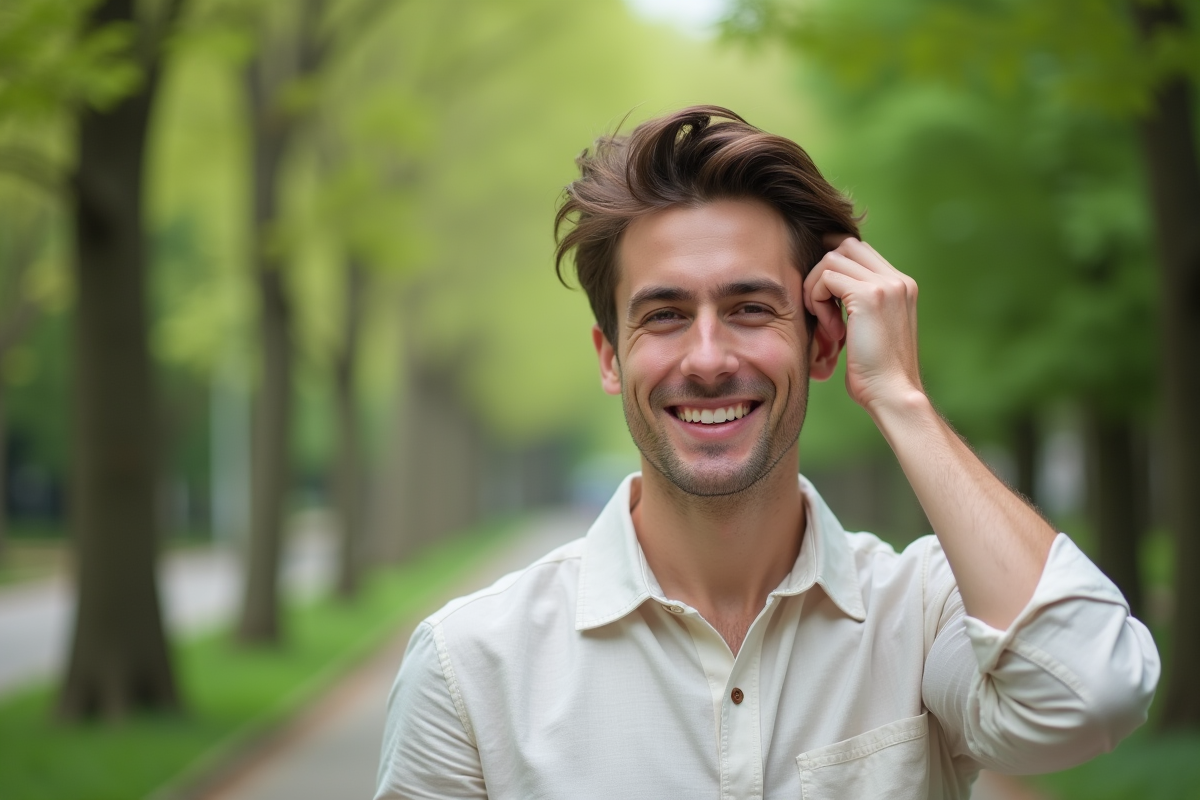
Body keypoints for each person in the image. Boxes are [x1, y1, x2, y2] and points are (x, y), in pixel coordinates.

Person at [374, 106, 1159, 799]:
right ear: (610, 357)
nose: (709, 358)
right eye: (665, 315)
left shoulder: (921, 615)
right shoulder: (470, 666)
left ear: (824, 343)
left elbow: (1090, 695)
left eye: (750, 308)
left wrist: (902, 401)